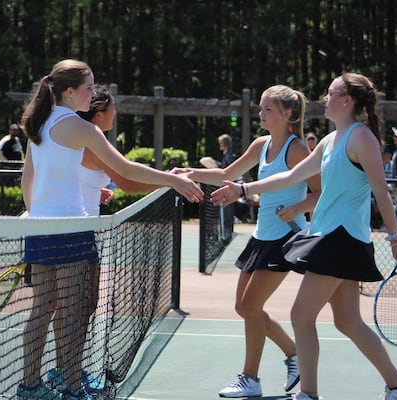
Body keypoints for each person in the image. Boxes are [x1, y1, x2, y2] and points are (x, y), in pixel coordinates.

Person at [211, 73, 397, 400]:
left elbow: (380, 191)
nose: (324, 99)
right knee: (348, 322)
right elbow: (292, 175)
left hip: (341, 239)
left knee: (301, 315)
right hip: (328, 235)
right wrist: (243, 188)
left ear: (346, 101)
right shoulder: (332, 140)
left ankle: (309, 393)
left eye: (331, 94)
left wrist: (395, 236)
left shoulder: (361, 138)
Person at [18, 59, 203, 400]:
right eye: (88, 87)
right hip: (73, 231)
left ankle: (29, 386)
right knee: (73, 315)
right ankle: (74, 389)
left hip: (40, 230)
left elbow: (27, 178)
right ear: (70, 91)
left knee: (41, 310)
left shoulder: (38, 124)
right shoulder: (81, 128)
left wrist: (34, 212)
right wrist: (173, 180)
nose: (94, 93)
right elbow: (124, 167)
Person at [175, 85, 321, 397]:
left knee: (251, 306)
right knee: (244, 307)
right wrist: (187, 174)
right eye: (261, 108)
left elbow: (320, 192)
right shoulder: (260, 144)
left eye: (267, 109)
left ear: (288, 114)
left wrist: (297, 208)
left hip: (285, 238)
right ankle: (292, 352)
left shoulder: (297, 150)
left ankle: (250, 378)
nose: (261, 113)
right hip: (260, 236)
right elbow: (227, 173)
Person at [45, 85, 159, 394]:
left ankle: (65, 368)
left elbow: (79, 178)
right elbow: (129, 182)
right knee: (80, 305)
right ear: (100, 113)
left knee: (76, 305)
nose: (115, 114)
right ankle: (66, 372)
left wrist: (97, 191)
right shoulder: (93, 140)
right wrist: (169, 182)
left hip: (78, 229)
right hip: (77, 232)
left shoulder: (79, 138)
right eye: (112, 109)